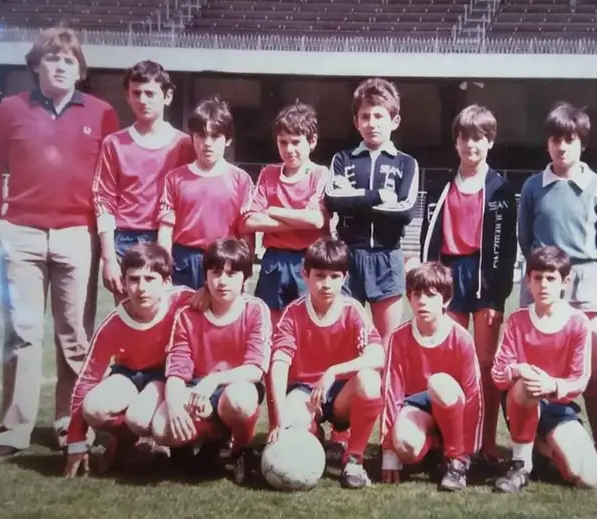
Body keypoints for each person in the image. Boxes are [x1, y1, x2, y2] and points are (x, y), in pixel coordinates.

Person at [0, 26, 120, 456]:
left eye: (69, 60)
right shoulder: (10, 109)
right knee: (22, 334)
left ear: (80, 70)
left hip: (77, 234)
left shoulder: (101, 113)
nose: (60, 66)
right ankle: (13, 430)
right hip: (20, 233)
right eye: (52, 59)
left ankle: (70, 425)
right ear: (36, 65)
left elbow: (110, 179)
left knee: (74, 337)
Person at [419, 104, 518, 462]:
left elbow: (507, 249)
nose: (470, 144)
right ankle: (452, 440)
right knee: (450, 362)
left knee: (486, 364)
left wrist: (496, 295)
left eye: (478, 137)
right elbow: (429, 239)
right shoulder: (440, 185)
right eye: (464, 137)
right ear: (456, 141)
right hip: (450, 278)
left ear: (489, 141)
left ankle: (486, 442)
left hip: (485, 279)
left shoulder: (500, 189)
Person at [517, 102, 597, 454]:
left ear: (582, 143)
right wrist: (545, 272)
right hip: (543, 279)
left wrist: (587, 272)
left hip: (585, 280)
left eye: (570, 140)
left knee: (590, 369)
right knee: (536, 366)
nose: (562, 147)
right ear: (547, 144)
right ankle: (538, 444)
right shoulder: (533, 186)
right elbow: (525, 236)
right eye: (556, 139)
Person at [63, 244, 192, 478]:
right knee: (93, 409)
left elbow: (215, 302)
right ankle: (124, 439)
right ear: (123, 282)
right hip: (129, 374)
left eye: (150, 279)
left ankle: (170, 444)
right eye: (133, 279)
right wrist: (76, 441)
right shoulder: (114, 323)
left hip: (165, 376)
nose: (141, 288)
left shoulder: (182, 299)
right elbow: (87, 378)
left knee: (139, 418)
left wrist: (205, 294)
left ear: (166, 282)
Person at [267, 238, 385, 489]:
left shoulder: (353, 310)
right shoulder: (294, 312)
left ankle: (354, 458)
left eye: (334, 276)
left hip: (341, 394)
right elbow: (278, 366)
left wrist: (333, 371)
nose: (326, 284)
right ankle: (313, 432)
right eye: (319, 276)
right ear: (305, 275)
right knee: (294, 424)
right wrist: (277, 418)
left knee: (370, 380)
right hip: (305, 393)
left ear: (344, 277)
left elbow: (378, 357)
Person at [151, 238, 271, 482]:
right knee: (161, 428)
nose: (222, 281)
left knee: (241, 399)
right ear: (205, 277)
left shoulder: (256, 310)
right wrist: (175, 406)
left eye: (232, 273)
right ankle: (205, 441)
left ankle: (240, 448)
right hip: (196, 387)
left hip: (236, 385)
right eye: (215, 273)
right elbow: (176, 372)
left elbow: (255, 369)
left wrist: (214, 381)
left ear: (245, 279)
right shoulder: (187, 314)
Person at [490, 246, 597, 493]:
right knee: (527, 381)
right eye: (537, 278)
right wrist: (521, 369)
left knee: (588, 479)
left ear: (565, 281)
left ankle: (542, 447)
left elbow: (580, 380)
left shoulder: (578, 322)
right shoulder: (518, 320)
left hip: (557, 405)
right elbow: (498, 374)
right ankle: (520, 463)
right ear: (528, 280)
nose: (543, 285)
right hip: (522, 402)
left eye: (551, 278)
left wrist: (552, 385)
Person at [323, 77, 419, 350]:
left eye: (379, 115)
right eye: (365, 116)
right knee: (344, 339)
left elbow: (404, 210)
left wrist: (354, 198)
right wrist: (377, 196)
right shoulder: (343, 159)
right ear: (356, 121)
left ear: (395, 120)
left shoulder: (405, 163)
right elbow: (333, 200)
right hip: (350, 255)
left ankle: (383, 394)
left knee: (385, 342)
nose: (372, 122)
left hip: (388, 257)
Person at [92, 60, 194, 303]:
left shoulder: (185, 145)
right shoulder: (114, 143)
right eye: (136, 93)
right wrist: (108, 259)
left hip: (171, 239)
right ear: (127, 97)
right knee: (131, 317)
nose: (143, 100)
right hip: (127, 240)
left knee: (172, 317)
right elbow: (103, 201)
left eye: (150, 93)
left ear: (167, 96)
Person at [380, 261, 482, 492]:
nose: (422, 301)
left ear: (445, 300)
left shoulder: (461, 338)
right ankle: (436, 447)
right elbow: (390, 393)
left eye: (430, 295)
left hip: (452, 404)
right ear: (409, 298)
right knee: (406, 447)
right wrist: (389, 452)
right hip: (419, 408)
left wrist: (468, 451)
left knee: (439, 382)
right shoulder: (398, 337)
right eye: (416, 294)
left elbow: (474, 397)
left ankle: (456, 461)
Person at [243, 101, 330, 326]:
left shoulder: (320, 174)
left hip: (308, 258)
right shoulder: (269, 173)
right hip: (275, 260)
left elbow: (316, 220)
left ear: (312, 142)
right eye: (283, 142)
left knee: (307, 324)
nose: (289, 149)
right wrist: (299, 220)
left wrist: (273, 210)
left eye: (295, 142)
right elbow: (251, 220)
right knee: (271, 325)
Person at [157, 96, 254, 290]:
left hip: (224, 262)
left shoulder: (241, 179)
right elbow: (166, 229)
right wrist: (163, 268)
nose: (207, 143)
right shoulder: (175, 178)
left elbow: (246, 235)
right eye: (201, 135)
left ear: (228, 140)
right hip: (184, 261)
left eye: (215, 136)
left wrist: (244, 271)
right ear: (192, 137)